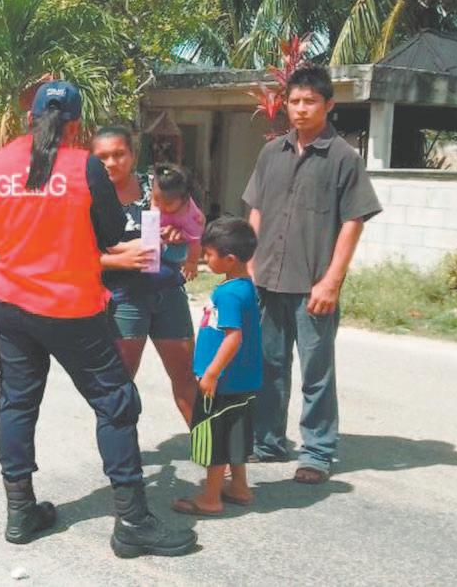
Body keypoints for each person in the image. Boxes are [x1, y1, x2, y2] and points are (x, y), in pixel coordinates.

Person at [0, 81, 196, 558]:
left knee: (17, 403)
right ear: (76, 126)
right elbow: (110, 234)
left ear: (31, 117)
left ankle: (20, 511)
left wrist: (24, 227)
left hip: (9, 305)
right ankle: (132, 522)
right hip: (69, 306)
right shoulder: (83, 167)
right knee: (115, 403)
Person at [242, 66, 382, 484]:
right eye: (295, 101)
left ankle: (318, 452)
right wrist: (249, 261)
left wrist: (331, 282)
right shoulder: (271, 153)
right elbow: (256, 208)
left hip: (313, 286)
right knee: (269, 365)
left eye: (310, 101)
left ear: (328, 105)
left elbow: (353, 221)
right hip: (267, 279)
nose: (301, 109)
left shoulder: (343, 158)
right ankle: (267, 441)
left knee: (316, 372)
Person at [92, 128, 198, 425]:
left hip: (169, 294)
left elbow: (193, 223)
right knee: (120, 383)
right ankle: (121, 451)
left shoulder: (159, 187)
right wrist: (118, 261)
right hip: (123, 301)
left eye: (119, 154)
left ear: (133, 154)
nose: (111, 162)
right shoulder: (87, 198)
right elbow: (73, 256)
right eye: (102, 157)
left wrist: (179, 235)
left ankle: (210, 449)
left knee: (187, 377)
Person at [172, 217, 261, 516]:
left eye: (209, 254)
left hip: (221, 382)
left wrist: (211, 373)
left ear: (230, 259)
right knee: (234, 434)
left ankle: (210, 497)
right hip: (242, 381)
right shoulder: (244, 286)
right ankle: (239, 487)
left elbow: (233, 337)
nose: (205, 258)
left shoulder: (229, 294)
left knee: (215, 437)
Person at [151, 164, 204, 282]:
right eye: (156, 200)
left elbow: (196, 242)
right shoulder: (159, 200)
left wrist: (192, 262)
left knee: (168, 270)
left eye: (168, 204)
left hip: (177, 249)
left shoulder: (189, 217)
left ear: (184, 200)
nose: (161, 207)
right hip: (156, 244)